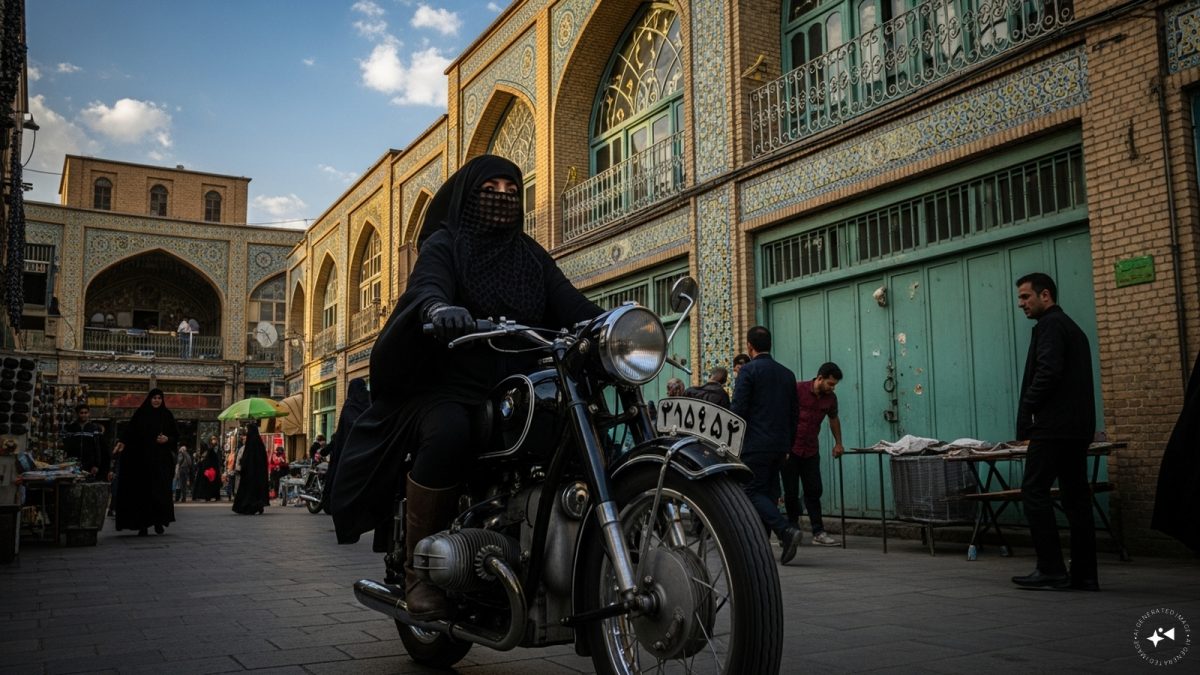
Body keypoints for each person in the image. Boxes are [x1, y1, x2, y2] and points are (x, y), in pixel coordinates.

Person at [332, 155, 602, 620]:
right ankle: (420, 570)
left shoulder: (530, 254)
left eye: (511, 188)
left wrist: (612, 327)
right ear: (469, 194)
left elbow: (572, 304)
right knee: (449, 433)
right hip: (451, 385)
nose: (502, 195)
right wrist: (438, 309)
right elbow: (427, 287)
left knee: (581, 431)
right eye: (490, 186)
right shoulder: (447, 244)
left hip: (518, 385)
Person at [1010, 272, 1098, 591]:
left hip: (1053, 428)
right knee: (1076, 498)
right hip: (1076, 429)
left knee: (1034, 491)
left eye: (1025, 297)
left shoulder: (1050, 325)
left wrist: (1028, 407)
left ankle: (1050, 568)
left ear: (1045, 295)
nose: (1020, 304)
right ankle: (1085, 575)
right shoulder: (1071, 327)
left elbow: (1048, 371)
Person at [730, 326, 801, 564]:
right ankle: (762, 547)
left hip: (755, 445)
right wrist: (788, 445)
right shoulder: (787, 374)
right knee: (769, 493)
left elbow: (738, 411)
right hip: (780, 446)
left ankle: (785, 531)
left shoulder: (748, 372)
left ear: (749, 346)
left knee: (751, 490)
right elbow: (794, 413)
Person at [784, 362, 845, 547]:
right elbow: (782, 414)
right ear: (819, 378)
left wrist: (838, 443)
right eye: (830, 383)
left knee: (814, 490)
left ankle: (818, 531)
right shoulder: (797, 389)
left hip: (811, 450)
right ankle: (792, 530)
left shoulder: (830, 399)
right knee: (791, 492)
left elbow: (833, 419)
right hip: (790, 450)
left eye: (834, 385)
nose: (832, 388)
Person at [112, 388, 179, 536]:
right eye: (154, 398)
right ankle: (143, 525)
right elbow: (130, 431)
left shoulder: (166, 415)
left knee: (159, 493)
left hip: (160, 462)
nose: (156, 401)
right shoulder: (141, 414)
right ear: (149, 399)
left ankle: (158, 522)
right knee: (143, 494)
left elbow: (175, 436)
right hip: (142, 462)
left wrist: (167, 439)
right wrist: (122, 442)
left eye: (159, 398)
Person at [323, 377, 370, 513]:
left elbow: (341, 433)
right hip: (367, 451)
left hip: (347, 453)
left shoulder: (350, 405)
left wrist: (327, 450)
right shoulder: (369, 402)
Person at [63, 404, 110, 482]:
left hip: (89, 465)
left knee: (88, 484)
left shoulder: (94, 428)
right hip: (74, 464)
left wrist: (96, 465)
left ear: (89, 413)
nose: (84, 415)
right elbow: (67, 446)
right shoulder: (71, 428)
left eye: (86, 412)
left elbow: (98, 448)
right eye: (81, 413)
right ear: (77, 414)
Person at [233, 422, 270, 515]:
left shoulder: (250, 445)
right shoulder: (260, 445)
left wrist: (242, 465)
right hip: (258, 475)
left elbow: (246, 460)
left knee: (248, 492)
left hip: (249, 474)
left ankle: (250, 507)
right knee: (256, 491)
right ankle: (258, 505)